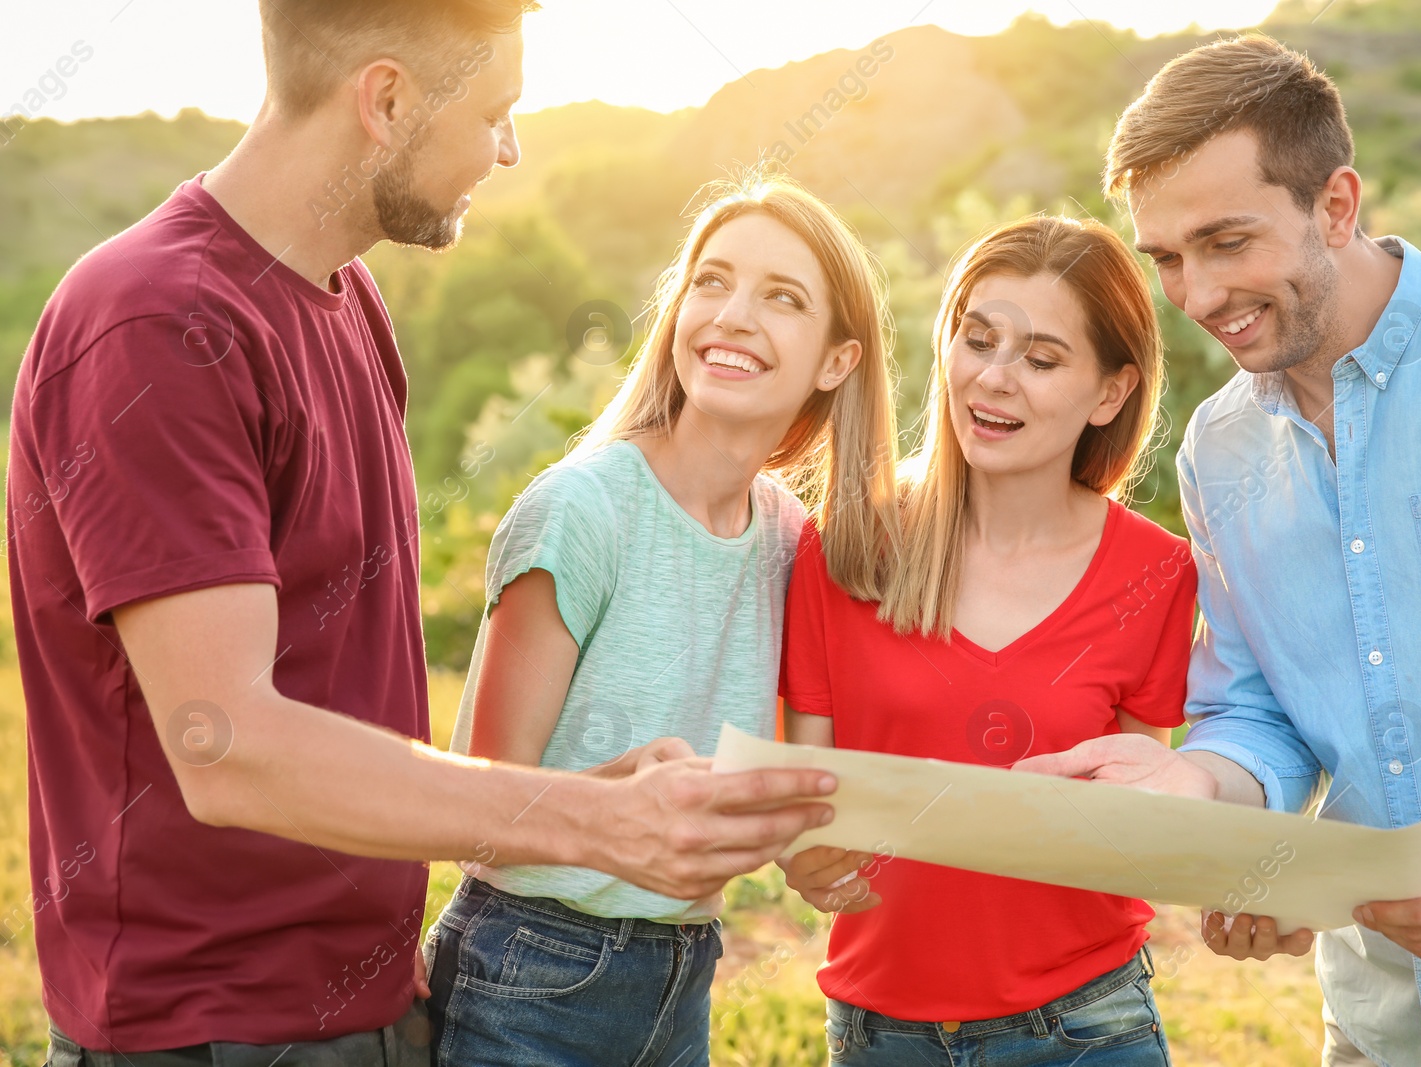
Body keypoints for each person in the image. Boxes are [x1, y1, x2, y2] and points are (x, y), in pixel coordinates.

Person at [8, 3, 835, 1061]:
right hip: (209, 1031)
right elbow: (228, 748)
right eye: (496, 112)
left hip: (374, 1005)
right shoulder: (157, 324)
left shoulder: (350, 305)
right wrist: (592, 824)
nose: (509, 147)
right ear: (387, 101)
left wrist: (578, 794)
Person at [1023, 34, 1421, 1067]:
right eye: (1165, 257)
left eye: (1226, 241)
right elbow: (1260, 707)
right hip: (1378, 1027)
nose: (1195, 296)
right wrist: (1201, 796)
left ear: (1336, 205)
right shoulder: (1219, 449)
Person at [422, 172, 899, 1066]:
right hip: (529, 964)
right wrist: (622, 788)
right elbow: (472, 812)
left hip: (681, 970)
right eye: (710, 281)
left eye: (782, 297)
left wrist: (814, 851)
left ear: (838, 361)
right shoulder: (583, 510)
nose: (731, 314)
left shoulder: (793, 544)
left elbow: (789, 787)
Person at [777, 215, 1196, 1066]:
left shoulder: (1158, 573)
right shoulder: (847, 543)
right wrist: (802, 850)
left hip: (1086, 1027)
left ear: (1110, 393)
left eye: (1041, 360)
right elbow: (805, 794)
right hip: (879, 1033)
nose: (994, 379)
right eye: (978, 340)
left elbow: (1132, 815)